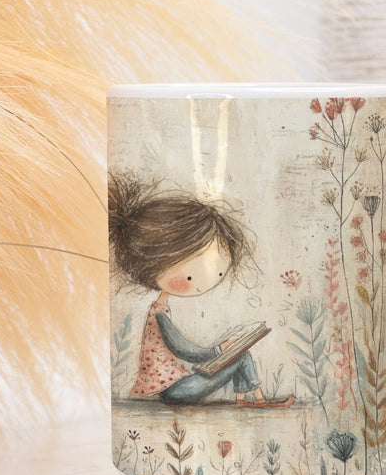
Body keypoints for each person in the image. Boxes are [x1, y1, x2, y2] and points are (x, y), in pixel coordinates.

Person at [108, 171, 294, 409]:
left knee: (242, 354)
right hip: (175, 391)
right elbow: (184, 350)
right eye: (189, 275)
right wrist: (220, 349)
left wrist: (224, 348)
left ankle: (247, 400)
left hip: (181, 384)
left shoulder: (162, 309)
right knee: (240, 356)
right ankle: (254, 399)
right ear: (155, 265)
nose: (202, 282)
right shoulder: (159, 314)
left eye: (217, 274)